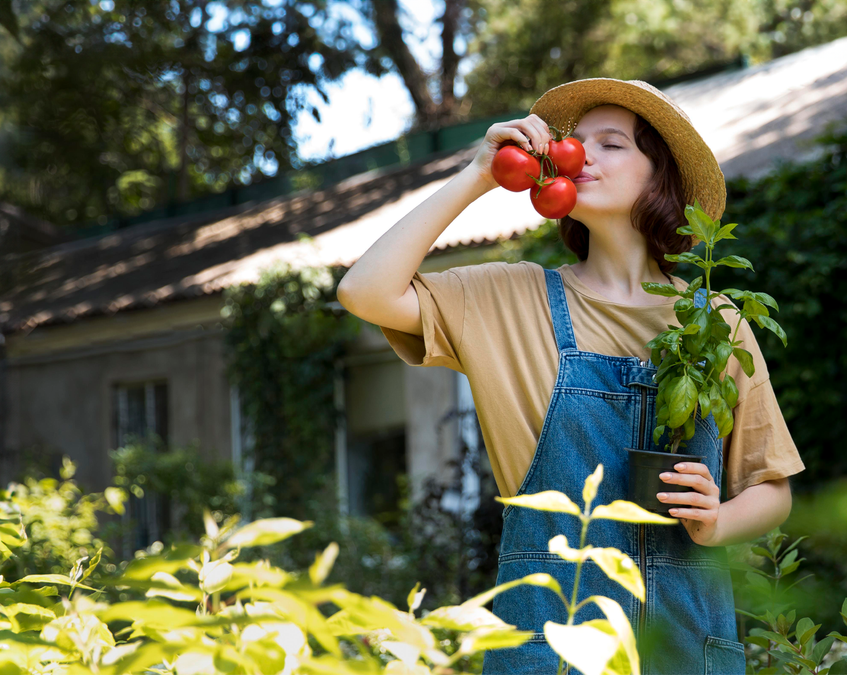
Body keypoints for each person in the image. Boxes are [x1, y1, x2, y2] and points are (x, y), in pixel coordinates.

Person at [337, 78, 805, 674]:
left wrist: (717, 523)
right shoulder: (510, 297)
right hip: (548, 645)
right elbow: (363, 290)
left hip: (687, 642)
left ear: (660, 177)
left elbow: (772, 488)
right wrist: (479, 173)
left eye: (610, 144)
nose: (581, 154)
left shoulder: (716, 323)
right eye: (574, 143)